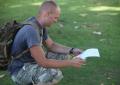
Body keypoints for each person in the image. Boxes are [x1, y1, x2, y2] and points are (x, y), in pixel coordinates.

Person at [8, 0, 85, 85]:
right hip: (19, 70)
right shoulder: (31, 31)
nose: (56, 21)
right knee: (54, 74)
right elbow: (43, 62)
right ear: (47, 14)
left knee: (65, 56)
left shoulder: (38, 24)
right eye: (55, 18)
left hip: (30, 61)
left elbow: (51, 45)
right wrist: (71, 63)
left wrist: (72, 50)